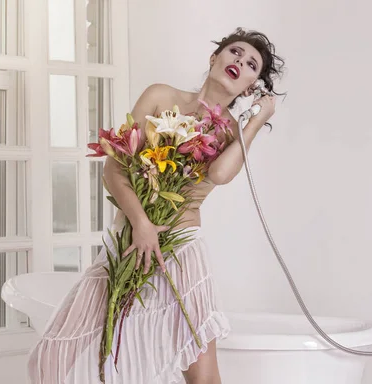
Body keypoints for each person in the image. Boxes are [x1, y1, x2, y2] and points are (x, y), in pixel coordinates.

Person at [27, 27, 285, 384]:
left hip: (179, 253)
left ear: (251, 87)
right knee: (52, 356)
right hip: (129, 242)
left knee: (202, 375)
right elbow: (114, 167)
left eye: (252, 64)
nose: (240, 61)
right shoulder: (161, 96)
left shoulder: (231, 131)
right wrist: (141, 223)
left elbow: (222, 174)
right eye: (235, 52)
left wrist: (255, 120)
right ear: (215, 58)